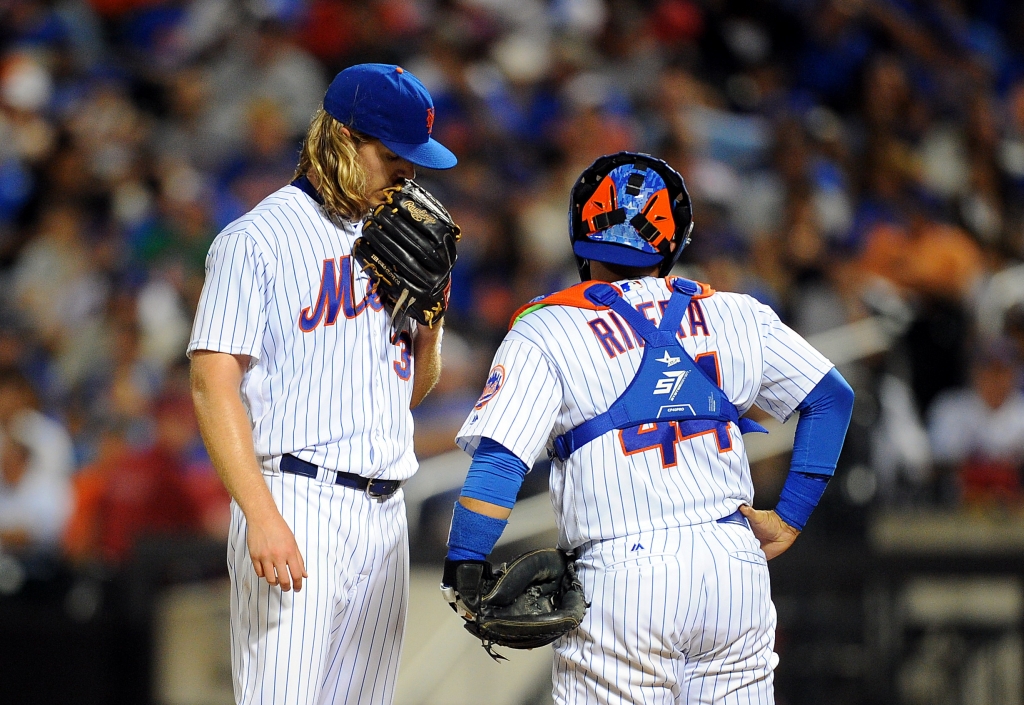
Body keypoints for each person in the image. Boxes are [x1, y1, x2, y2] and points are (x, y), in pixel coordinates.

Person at [443, 152, 854, 703]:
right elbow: (831, 398)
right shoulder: (736, 312)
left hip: (626, 574)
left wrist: (465, 566)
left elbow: (499, 464)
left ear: (580, 228)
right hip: (733, 566)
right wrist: (790, 517)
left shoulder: (548, 328)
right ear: (674, 239)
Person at [188, 63, 457, 705]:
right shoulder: (256, 239)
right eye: (392, 156)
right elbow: (210, 384)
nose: (407, 175)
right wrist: (261, 514)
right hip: (297, 500)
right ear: (339, 137)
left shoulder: (400, 235)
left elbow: (404, 394)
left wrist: (433, 324)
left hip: (387, 512)